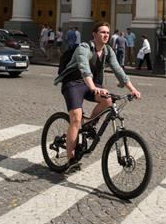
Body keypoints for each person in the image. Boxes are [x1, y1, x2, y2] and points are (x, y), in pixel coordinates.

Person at [54, 21, 142, 169]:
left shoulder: (108, 51)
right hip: (74, 83)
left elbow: (118, 70)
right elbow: (84, 68)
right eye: (102, 32)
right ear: (94, 35)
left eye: (107, 32)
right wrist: (94, 87)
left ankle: (89, 125)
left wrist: (132, 89)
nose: (106, 35)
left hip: (91, 84)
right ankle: (71, 159)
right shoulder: (84, 48)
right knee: (76, 118)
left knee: (108, 101)